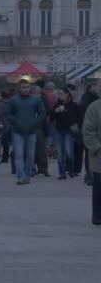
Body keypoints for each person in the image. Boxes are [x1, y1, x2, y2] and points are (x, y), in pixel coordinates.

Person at [5, 79, 47, 185]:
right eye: (23, 87)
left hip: (31, 131)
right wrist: (15, 121)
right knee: (19, 154)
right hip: (17, 132)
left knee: (30, 155)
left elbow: (43, 112)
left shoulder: (35, 100)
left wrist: (35, 122)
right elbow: (7, 113)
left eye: (27, 87)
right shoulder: (13, 100)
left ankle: (27, 175)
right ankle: (21, 175)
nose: (26, 89)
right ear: (19, 88)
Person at [82, 81, 101, 226]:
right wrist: (97, 147)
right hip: (99, 155)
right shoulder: (94, 108)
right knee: (99, 187)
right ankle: (98, 216)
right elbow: (88, 131)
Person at [50, 88, 80, 180]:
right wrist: (56, 111)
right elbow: (51, 118)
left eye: (61, 93)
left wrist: (65, 110)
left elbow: (76, 117)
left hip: (69, 131)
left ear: (67, 94)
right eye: (58, 93)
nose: (59, 95)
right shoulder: (57, 104)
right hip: (58, 131)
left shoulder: (73, 105)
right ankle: (62, 173)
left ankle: (70, 170)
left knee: (68, 153)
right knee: (59, 153)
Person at [80, 82, 99, 185]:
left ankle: (89, 175)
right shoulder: (93, 105)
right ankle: (89, 175)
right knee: (89, 154)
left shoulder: (90, 99)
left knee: (88, 154)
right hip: (91, 132)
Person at [31, 86, 51, 177]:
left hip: (40, 128)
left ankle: (43, 169)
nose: (39, 94)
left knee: (42, 150)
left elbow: (47, 114)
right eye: (37, 93)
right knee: (31, 150)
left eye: (40, 93)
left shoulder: (42, 102)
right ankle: (32, 168)